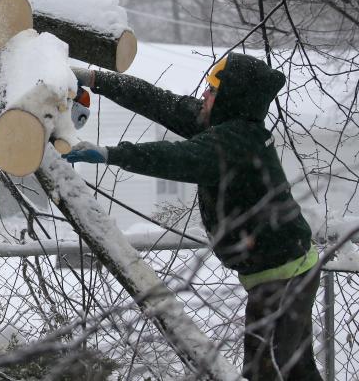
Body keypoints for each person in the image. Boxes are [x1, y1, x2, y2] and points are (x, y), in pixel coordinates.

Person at [65, 52, 321, 381]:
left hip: (283, 277)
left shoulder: (237, 142)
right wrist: (94, 79)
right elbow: (158, 101)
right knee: (298, 372)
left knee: (264, 373)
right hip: (287, 269)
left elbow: (178, 158)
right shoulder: (222, 123)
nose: (204, 95)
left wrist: (111, 154)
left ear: (230, 98)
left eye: (212, 90)